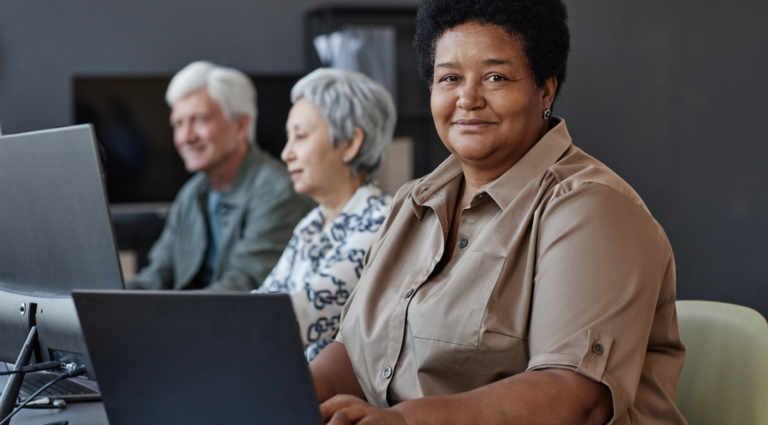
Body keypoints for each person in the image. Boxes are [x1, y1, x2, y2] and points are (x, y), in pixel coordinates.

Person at [311, 1, 688, 424]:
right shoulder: (412, 203)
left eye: (495, 77)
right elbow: (355, 350)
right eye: (449, 78)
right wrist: (288, 392)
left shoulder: (591, 208)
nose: (468, 99)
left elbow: (574, 398)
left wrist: (403, 420)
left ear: (544, 89)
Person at [126, 61, 314, 291]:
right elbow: (156, 276)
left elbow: (242, 287)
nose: (186, 137)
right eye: (178, 124)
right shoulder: (192, 193)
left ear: (241, 126)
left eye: (200, 120)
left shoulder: (278, 192)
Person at [254, 69, 396, 361]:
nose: (286, 153)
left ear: (349, 143)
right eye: (288, 138)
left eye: (301, 136)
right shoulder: (312, 223)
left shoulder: (381, 223)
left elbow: (299, 314)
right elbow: (264, 302)